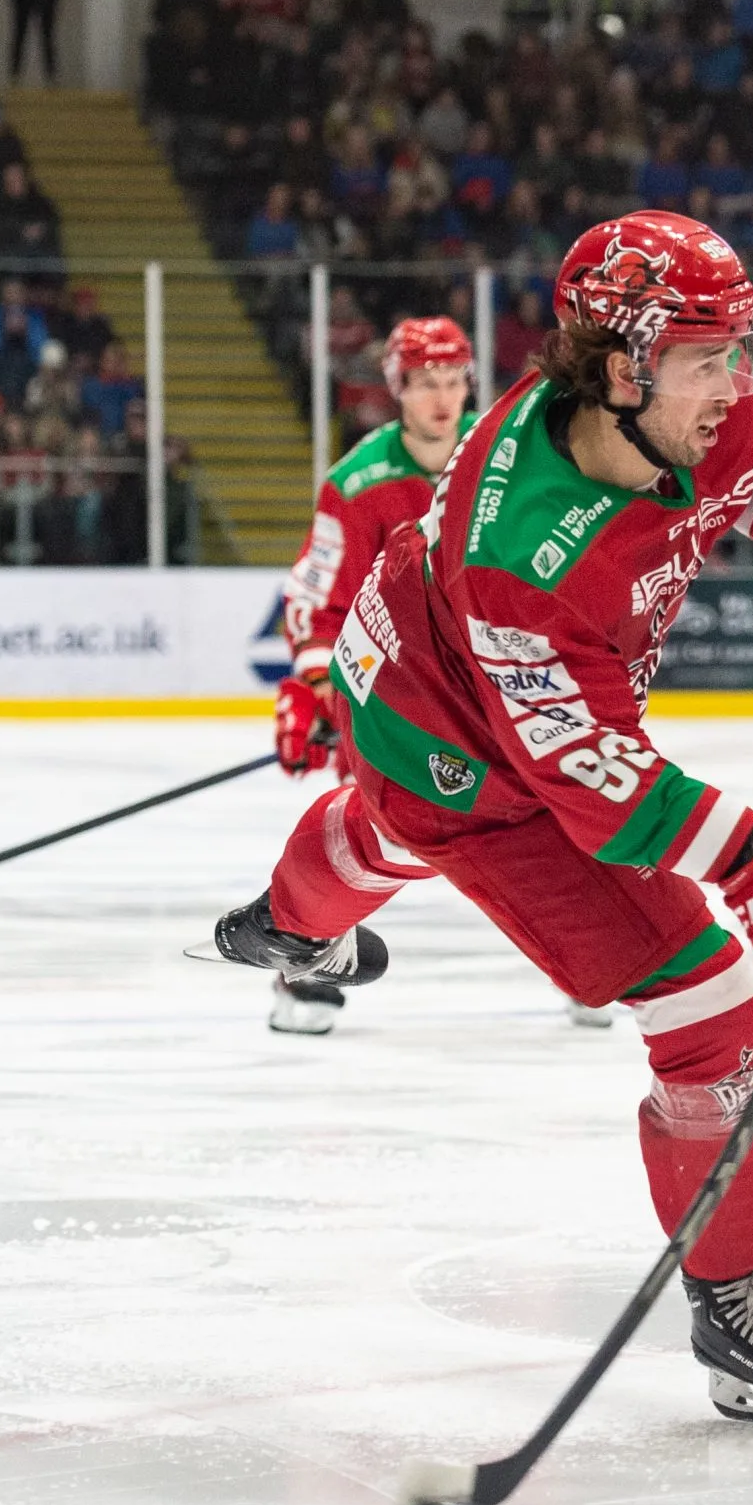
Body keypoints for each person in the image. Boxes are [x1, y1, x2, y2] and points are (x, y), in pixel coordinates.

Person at [209, 210, 753, 1429]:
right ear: (620, 365)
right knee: (708, 1003)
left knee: (374, 837)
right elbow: (594, 781)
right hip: (448, 736)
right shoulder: (519, 555)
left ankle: (291, 926)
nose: (740, 383)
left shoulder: (686, 399)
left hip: (463, 686)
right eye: (712, 358)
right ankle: (730, 1300)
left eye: (743, 350)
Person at [263, 316, 482, 1035]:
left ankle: (595, 959)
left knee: (555, 816)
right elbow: (316, 598)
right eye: (426, 384)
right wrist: (312, 679)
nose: (443, 398)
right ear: (399, 389)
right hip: (386, 693)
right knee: (366, 829)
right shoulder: (357, 482)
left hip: (492, 684)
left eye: (453, 381)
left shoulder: (501, 459)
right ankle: (306, 962)